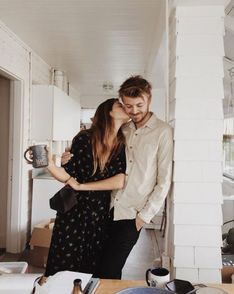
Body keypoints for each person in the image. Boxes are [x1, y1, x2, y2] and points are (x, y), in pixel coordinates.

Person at [62, 75, 173, 279]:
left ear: (149, 99)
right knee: (95, 267)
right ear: (122, 102)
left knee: (110, 270)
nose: (134, 111)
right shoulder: (123, 128)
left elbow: (163, 181)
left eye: (139, 104)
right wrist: (69, 157)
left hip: (131, 215)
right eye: (128, 106)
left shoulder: (162, 132)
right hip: (105, 208)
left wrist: (143, 218)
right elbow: (99, 151)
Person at [43, 98, 129, 277]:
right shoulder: (84, 138)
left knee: (92, 265)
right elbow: (68, 175)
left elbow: (120, 180)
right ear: (108, 112)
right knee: (64, 263)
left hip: (99, 212)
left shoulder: (122, 143)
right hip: (74, 210)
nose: (126, 107)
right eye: (120, 105)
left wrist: (82, 186)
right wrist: (50, 165)